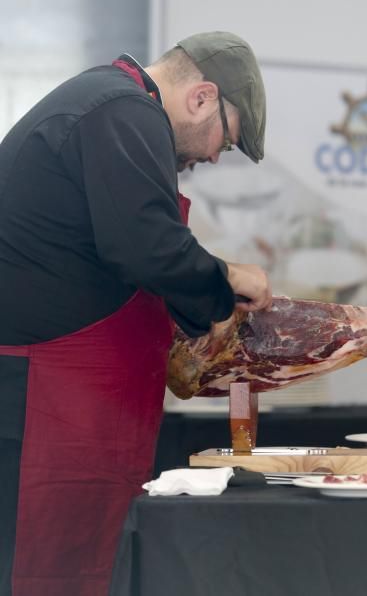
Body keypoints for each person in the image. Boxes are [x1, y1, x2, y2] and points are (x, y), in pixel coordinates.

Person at [0, 31, 272, 596]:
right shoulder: (123, 110)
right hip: (45, 406)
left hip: (69, 405)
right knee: (39, 575)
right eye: (226, 139)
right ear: (202, 97)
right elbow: (143, 244)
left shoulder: (109, 105)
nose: (213, 156)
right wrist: (225, 279)